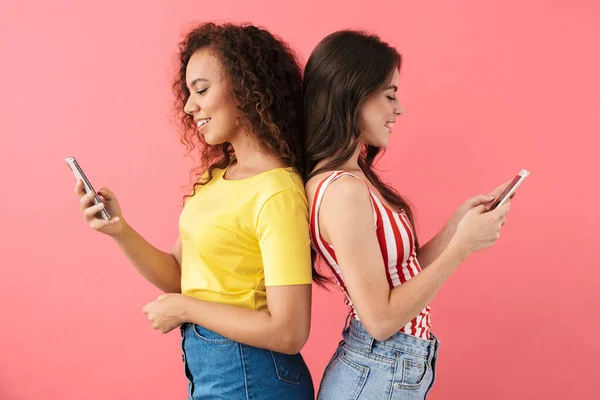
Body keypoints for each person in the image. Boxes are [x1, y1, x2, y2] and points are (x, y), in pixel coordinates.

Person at [73, 22, 316, 399]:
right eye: (188, 93)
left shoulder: (277, 191)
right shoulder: (218, 177)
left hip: (253, 376)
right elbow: (179, 276)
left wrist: (186, 309)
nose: (189, 106)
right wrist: (119, 230)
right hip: (215, 371)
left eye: (201, 90)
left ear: (248, 86)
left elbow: (289, 331)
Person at [302, 30, 512, 399]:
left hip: (384, 366)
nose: (398, 109)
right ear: (353, 95)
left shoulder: (354, 178)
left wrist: (456, 227)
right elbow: (381, 320)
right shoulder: (342, 191)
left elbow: (399, 274)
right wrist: (461, 247)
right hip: (378, 367)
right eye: (390, 96)